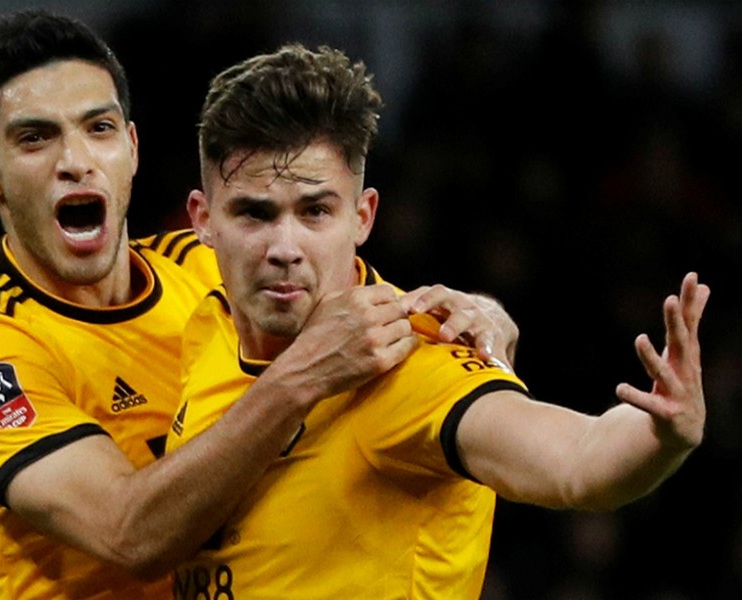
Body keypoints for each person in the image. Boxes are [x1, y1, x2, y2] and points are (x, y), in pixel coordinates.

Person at [0, 10, 521, 599]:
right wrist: (296, 377)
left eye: (97, 128)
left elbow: (369, 328)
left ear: (131, 148)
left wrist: (473, 314)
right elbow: (130, 536)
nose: (75, 162)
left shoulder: (209, 265)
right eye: (35, 138)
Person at [167, 43, 710, 599]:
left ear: (363, 216)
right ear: (203, 221)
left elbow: (577, 460)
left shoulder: (407, 361)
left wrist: (659, 436)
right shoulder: (203, 315)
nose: (285, 247)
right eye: (255, 213)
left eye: (315, 212)